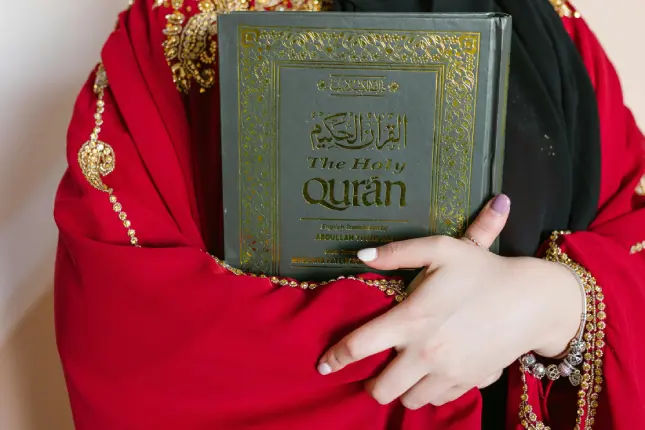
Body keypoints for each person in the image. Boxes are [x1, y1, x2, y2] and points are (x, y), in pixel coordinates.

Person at [53, 0, 645, 429]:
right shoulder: (171, 32)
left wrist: (553, 303)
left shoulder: (557, 36)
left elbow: (630, 235)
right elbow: (134, 332)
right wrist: (425, 332)